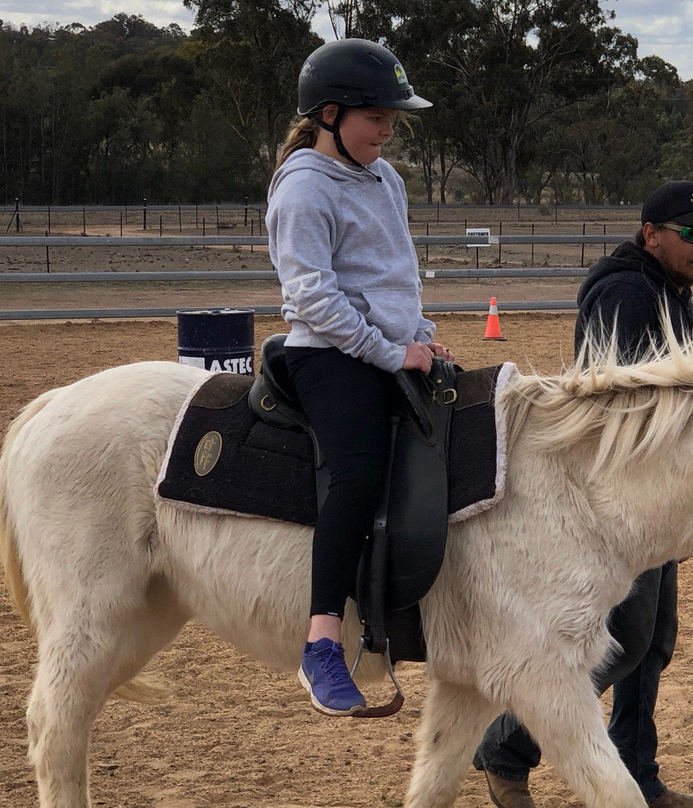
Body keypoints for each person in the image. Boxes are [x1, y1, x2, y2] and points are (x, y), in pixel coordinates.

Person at [473, 181, 693, 808]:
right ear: (651, 234)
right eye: (691, 232)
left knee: (652, 642)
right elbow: (623, 405)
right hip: (618, 503)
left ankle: (638, 773)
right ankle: (506, 747)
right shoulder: (627, 293)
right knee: (627, 638)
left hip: (659, 501)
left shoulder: (664, 292)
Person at [266, 38, 453, 717]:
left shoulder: (385, 177)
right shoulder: (304, 188)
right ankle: (322, 644)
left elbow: (395, 274)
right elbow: (313, 295)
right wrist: (385, 350)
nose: (388, 127)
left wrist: (419, 335)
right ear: (330, 114)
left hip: (393, 346)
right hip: (328, 353)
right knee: (356, 475)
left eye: (391, 117)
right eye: (376, 116)